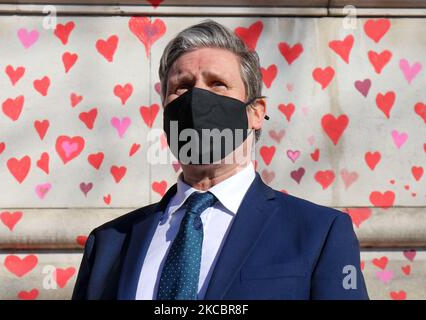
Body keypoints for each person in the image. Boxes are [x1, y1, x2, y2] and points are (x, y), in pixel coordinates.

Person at [72, 19, 368, 300]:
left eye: (217, 84)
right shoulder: (110, 243)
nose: (196, 98)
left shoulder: (320, 232)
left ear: (255, 112)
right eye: (182, 87)